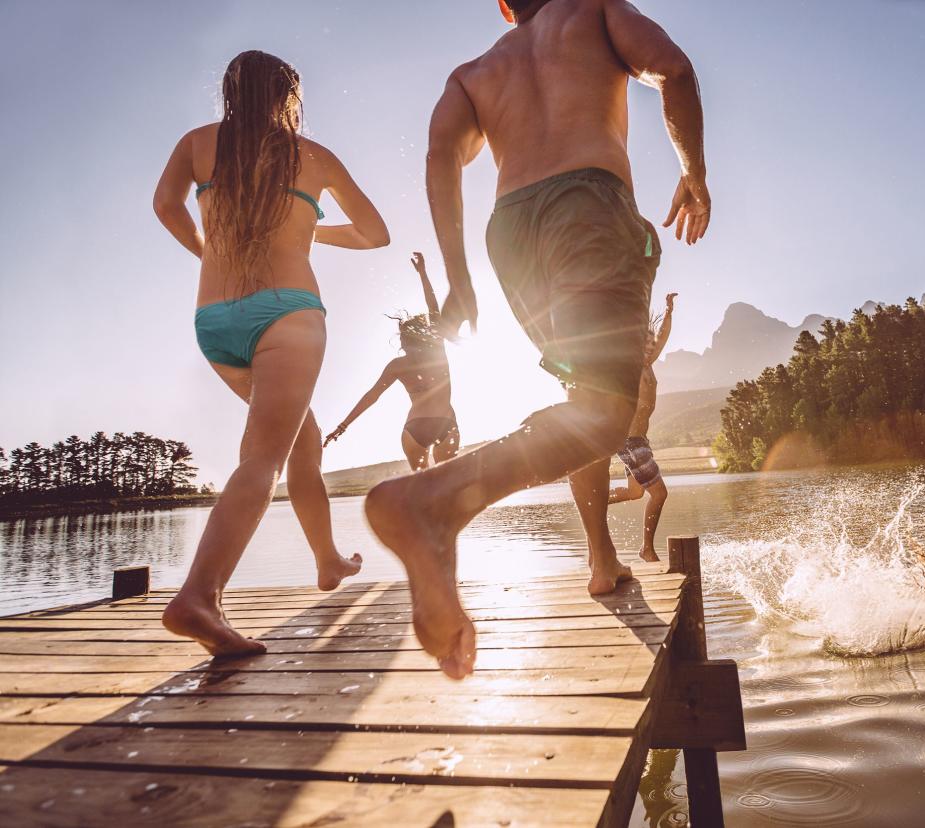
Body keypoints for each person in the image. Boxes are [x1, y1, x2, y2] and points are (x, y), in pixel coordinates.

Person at [364, 0, 710, 679]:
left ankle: (601, 560)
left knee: (584, 401)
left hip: (510, 231)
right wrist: (694, 172)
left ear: (502, 5)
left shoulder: (474, 73)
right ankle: (432, 500)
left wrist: (460, 280)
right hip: (586, 206)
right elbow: (673, 68)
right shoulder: (596, 9)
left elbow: (441, 157)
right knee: (608, 411)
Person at [152, 50, 390, 657]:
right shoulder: (311, 155)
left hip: (215, 321)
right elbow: (375, 233)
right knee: (262, 460)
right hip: (287, 314)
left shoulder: (198, 142)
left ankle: (329, 560)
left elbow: (164, 206)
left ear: (231, 93)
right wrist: (311, 231)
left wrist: (207, 251)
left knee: (297, 437)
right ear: (288, 96)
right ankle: (199, 596)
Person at [323, 253, 460, 471]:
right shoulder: (437, 352)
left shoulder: (398, 365)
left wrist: (343, 426)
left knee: (421, 486)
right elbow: (433, 309)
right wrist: (423, 274)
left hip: (415, 427)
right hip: (445, 423)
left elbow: (372, 396)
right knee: (448, 482)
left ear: (404, 340)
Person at [608, 292, 678, 562]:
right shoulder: (631, 366)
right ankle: (647, 548)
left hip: (639, 441)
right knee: (659, 493)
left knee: (635, 492)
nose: (650, 349)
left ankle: (593, 501)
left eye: (651, 345)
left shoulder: (648, 364)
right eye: (644, 345)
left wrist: (669, 312)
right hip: (630, 441)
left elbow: (662, 338)